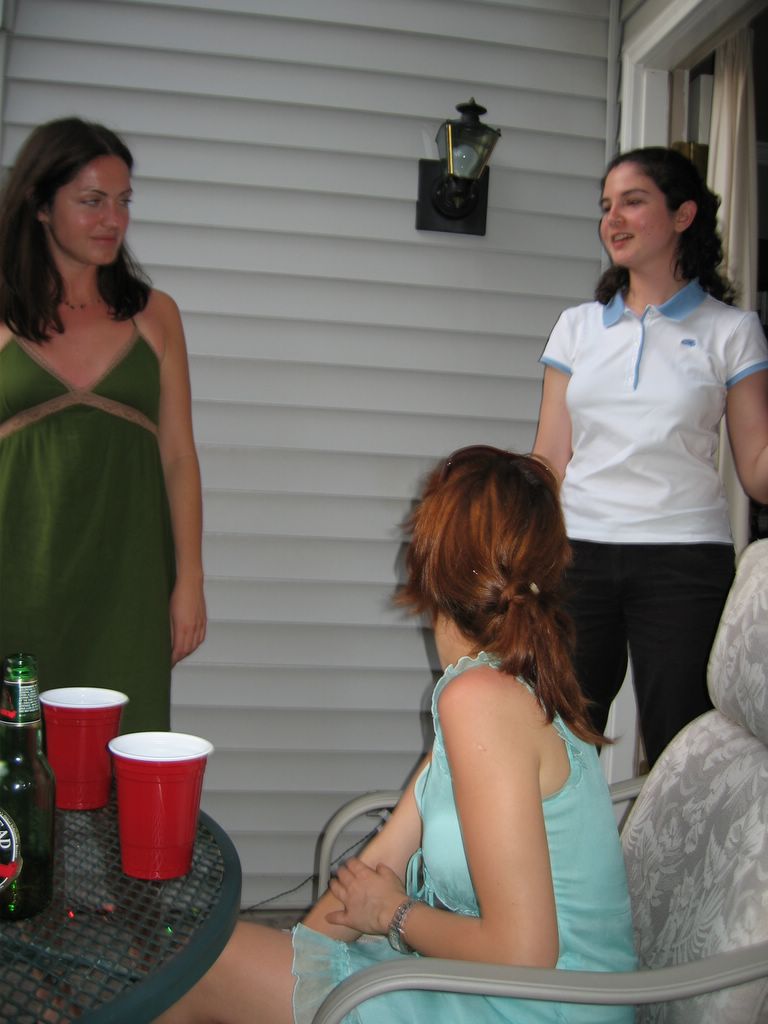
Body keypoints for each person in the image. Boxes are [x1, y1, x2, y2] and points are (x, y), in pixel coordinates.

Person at [158, 445, 636, 1024]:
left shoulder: (481, 700)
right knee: (208, 965)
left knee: (190, 970)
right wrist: (298, 955)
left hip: (539, 1008)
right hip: (497, 989)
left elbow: (524, 953)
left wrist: (394, 914)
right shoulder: (492, 686)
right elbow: (385, 854)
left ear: (430, 558)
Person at [533, 146, 768, 767]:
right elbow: (550, 458)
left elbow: (758, 471)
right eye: (606, 206)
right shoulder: (577, 327)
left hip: (684, 561)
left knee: (682, 750)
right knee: (558, 744)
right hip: (577, 555)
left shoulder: (732, 330)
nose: (612, 218)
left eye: (632, 202)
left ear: (683, 215)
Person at [0, 117, 206, 732]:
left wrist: (189, 579)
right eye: (92, 201)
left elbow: (179, 456)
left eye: (123, 202)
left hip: (130, 583)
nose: (113, 219)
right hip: (17, 575)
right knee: (17, 758)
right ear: (41, 205)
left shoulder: (155, 315)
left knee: (127, 752)